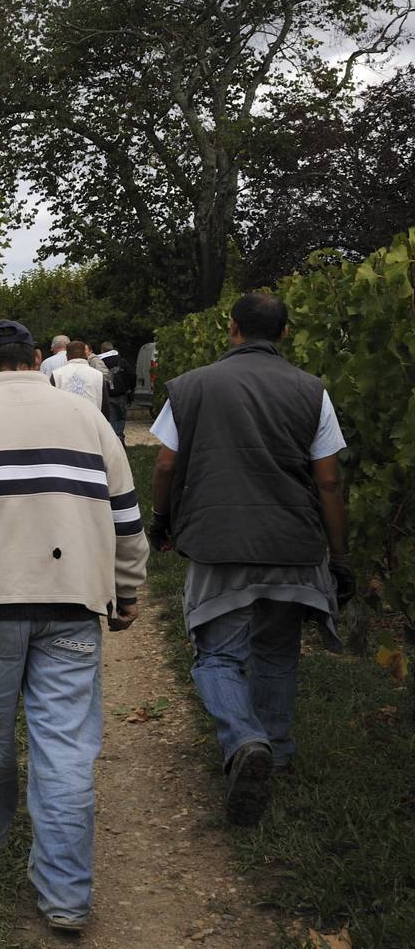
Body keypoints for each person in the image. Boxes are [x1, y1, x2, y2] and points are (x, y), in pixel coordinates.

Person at [0, 318, 148, 934]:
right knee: (66, 745)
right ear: (32, 360)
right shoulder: (89, 420)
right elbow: (126, 518)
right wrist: (126, 591)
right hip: (74, 601)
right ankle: (66, 895)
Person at [149, 292, 351, 827]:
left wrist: (162, 521)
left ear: (232, 328)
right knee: (279, 652)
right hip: (293, 543)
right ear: (284, 334)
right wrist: (340, 555)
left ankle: (244, 740)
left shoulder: (192, 387)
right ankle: (277, 752)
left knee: (218, 655)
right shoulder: (313, 392)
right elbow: (328, 479)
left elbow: (167, 464)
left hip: (220, 542)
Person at [51, 341, 109, 413]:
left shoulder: (56, 374)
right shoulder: (98, 375)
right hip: (92, 421)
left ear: (66, 356)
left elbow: (52, 403)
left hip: (66, 421)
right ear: (85, 355)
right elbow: (105, 405)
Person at [98, 342, 133, 437]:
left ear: (102, 350)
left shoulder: (99, 362)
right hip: (121, 393)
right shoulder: (121, 361)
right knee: (121, 417)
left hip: (107, 394)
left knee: (111, 417)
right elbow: (131, 375)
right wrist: (128, 388)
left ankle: (113, 438)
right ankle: (120, 437)